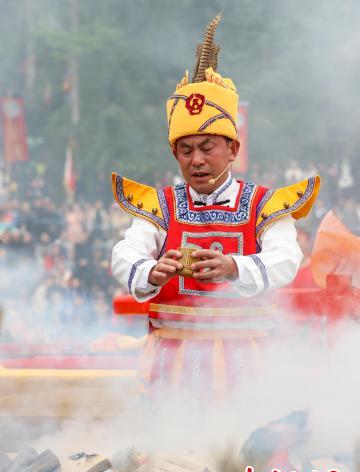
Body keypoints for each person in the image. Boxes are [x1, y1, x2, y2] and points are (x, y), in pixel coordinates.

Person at [111, 13, 320, 401]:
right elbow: (126, 253)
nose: (197, 160)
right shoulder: (159, 206)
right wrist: (152, 271)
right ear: (175, 154)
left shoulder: (263, 206)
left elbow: (287, 258)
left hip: (250, 364)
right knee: (168, 456)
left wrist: (233, 267)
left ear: (233, 149)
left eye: (207, 148)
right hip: (169, 364)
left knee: (243, 453)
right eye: (186, 150)